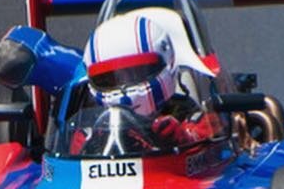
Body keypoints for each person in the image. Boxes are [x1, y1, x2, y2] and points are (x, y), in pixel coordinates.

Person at [73, 12, 224, 154]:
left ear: (167, 64)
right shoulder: (89, 131)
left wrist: (183, 138)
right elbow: (64, 170)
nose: (124, 88)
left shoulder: (190, 115)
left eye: (135, 74)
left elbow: (214, 150)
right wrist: (94, 145)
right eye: (110, 79)